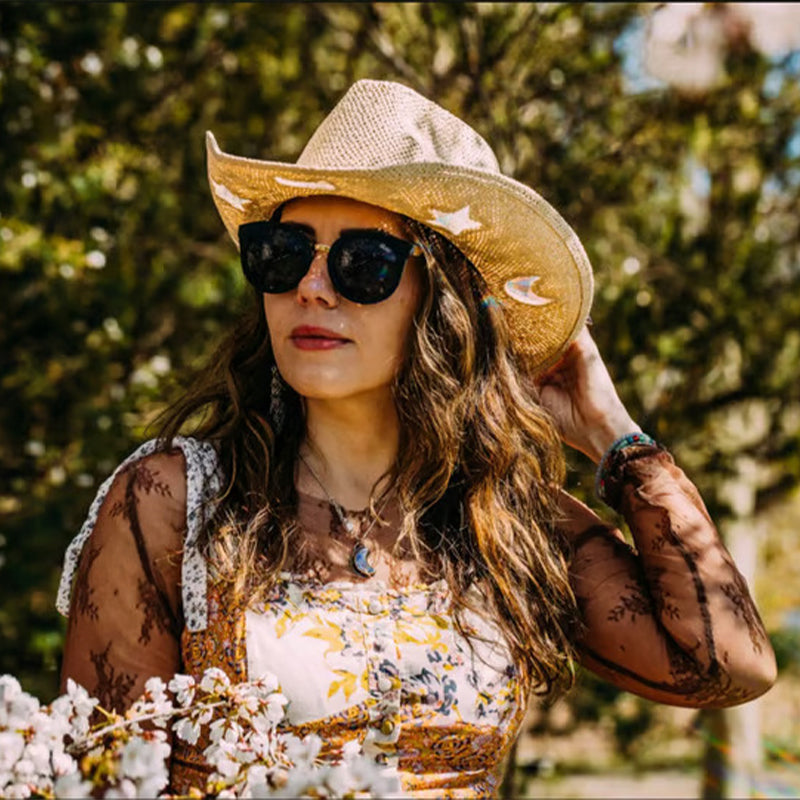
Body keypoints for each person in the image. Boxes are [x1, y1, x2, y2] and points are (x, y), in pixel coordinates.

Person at [57, 79, 776, 796]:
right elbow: (104, 783)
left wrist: (614, 437)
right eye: (281, 252)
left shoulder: (507, 521)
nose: (311, 286)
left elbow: (727, 665)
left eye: (362, 262)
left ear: (445, 303)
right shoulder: (174, 506)